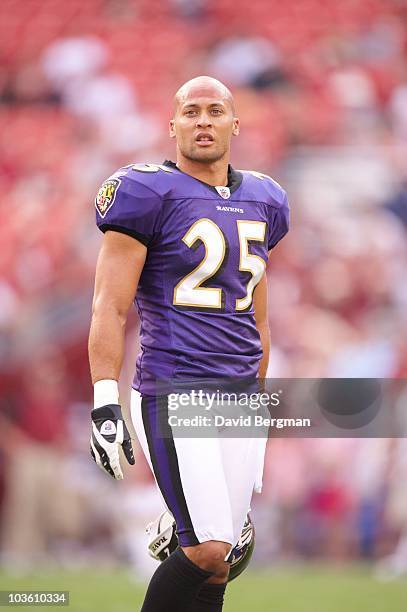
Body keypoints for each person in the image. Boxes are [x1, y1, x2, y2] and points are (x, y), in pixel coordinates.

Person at [88, 75, 289, 611]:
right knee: (207, 548)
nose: (204, 121)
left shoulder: (264, 199)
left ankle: (179, 530)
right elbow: (110, 304)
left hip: (241, 390)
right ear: (172, 124)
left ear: (234, 123)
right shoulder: (146, 191)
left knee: (224, 562)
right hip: (177, 386)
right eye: (192, 111)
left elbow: (259, 319)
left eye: (215, 111)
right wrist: (105, 397)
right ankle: (179, 532)